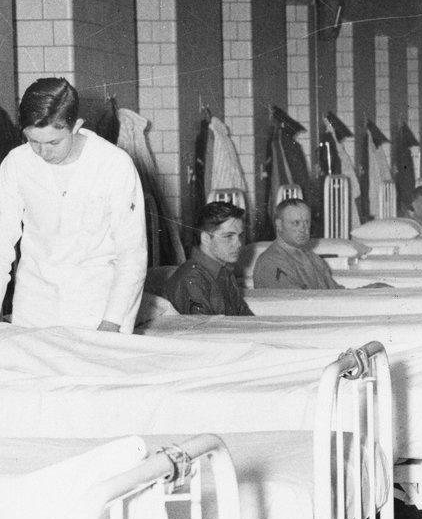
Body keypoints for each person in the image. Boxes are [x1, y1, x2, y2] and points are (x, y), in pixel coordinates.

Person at [0, 77, 146, 332]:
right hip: (34, 307)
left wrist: (112, 322)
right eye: (33, 141)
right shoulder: (16, 163)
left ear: (76, 126)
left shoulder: (113, 164)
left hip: (96, 308)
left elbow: (132, 253)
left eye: (53, 142)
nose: (43, 153)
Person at [163, 200, 252, 316]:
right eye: (228, 236)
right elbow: (203, 331)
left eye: (240, 236)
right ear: (205, 238)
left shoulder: (223, 271)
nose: (239, 244)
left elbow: (245, 317)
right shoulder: (192, 279)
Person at [252, 197, 343, 290]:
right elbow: (294, 302)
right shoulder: (270, 263)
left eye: (306, 222)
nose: (303, 229)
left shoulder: (313, 258)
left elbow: (336, 292)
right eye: (296, 223)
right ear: (279, 225)